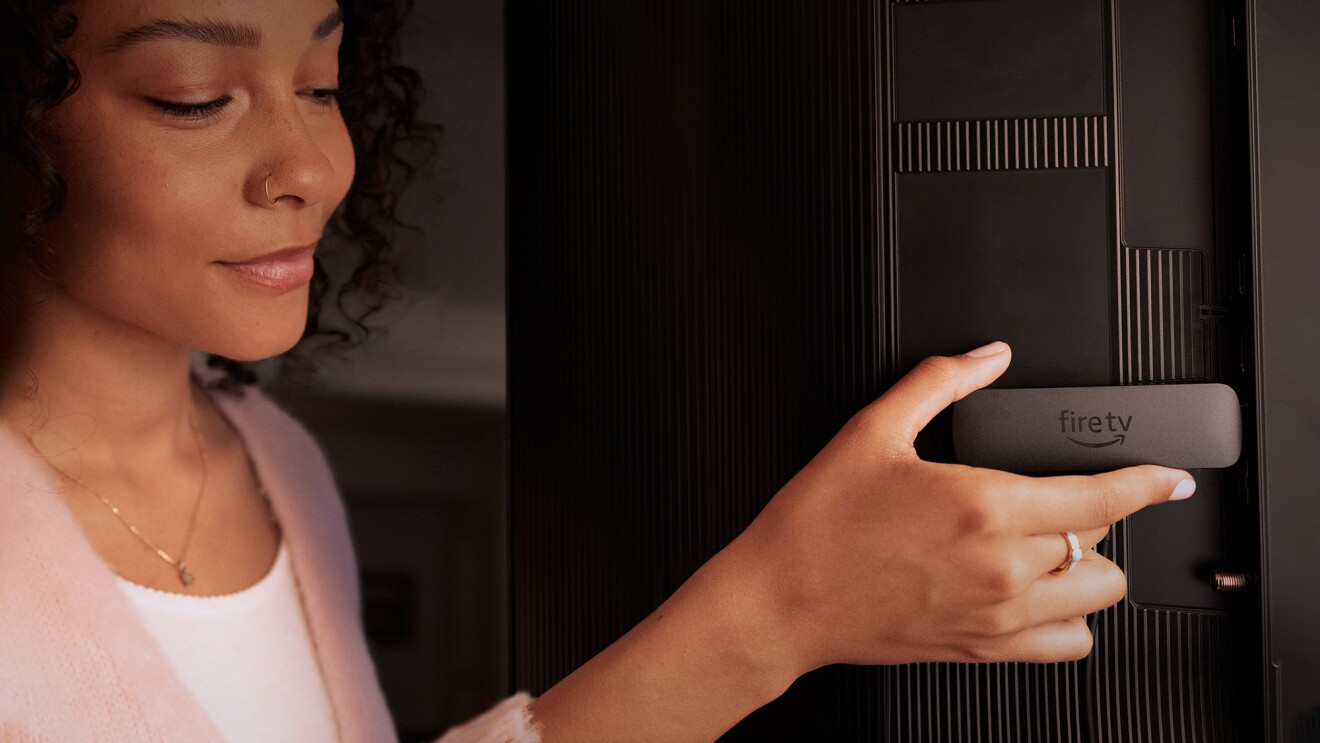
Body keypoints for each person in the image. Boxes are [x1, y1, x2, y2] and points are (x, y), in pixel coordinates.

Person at [0, 0, 1197, 741]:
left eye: (320, 83)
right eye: (195, 98)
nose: (309, 166)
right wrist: (775, 611)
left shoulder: (277, 460)